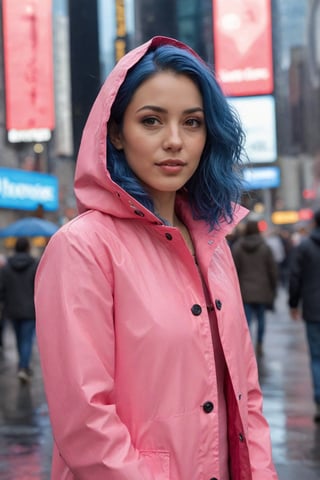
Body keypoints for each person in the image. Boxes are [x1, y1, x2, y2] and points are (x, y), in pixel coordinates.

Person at [35, 36, 278, 479]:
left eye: (192, 122)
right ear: (115, 132)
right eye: (151, 121)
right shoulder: (83, 248)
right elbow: (86, 423)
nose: (174, 141)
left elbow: (246, 396)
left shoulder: (215, 245)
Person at [288, 209, 320, 423]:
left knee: (317, 358)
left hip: (313, 308)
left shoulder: (305, 246)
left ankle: (319, 399)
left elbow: (295, 277)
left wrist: (293, 304)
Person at [231, 220, 278, 357]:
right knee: (262, 319)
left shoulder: (238, 247)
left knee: (247, 320)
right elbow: (272, 270)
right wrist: (273, 288)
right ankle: (260, 343)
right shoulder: (265, 247)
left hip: (244, 290)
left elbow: (233, 270)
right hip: (262, 289)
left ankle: (248, 346)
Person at [0, 237, 38, 382]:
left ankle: (22, 365)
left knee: (18, 338)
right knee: (27, 339)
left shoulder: (6, 268)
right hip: (29, 309)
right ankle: (23, 367)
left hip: (12, 309)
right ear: (27, 248)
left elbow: (1, 289)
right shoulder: (34, 266)